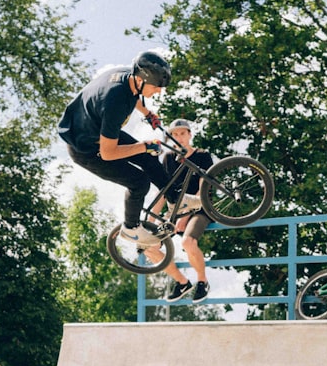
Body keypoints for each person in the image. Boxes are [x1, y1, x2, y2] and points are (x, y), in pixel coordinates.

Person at [58, 50, 173, 244]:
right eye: (156, 87)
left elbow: (134, 94)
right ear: (141, 80)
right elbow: (108, 153)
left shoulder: (128, 76)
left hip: (97, 132)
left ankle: (175, 199)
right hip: (86, 150)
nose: (158, 91)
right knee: (139, 182)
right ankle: (130, 228)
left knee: (148, 158)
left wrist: (146, 113)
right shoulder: (115, 103)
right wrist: (143, 146)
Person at [156, 118, 214, 303]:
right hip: (176, 210)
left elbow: (204, 189)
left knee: (188, 242)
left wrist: (185, 217)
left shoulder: (203, 155)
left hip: (200, 207)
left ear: (190, 135)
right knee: (149, 245)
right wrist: (153, 221)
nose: (179, 137)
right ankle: (182, 282)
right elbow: (164, 192)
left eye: (183, 133)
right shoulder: (167, 158)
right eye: (175, 134)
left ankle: (202, 282)